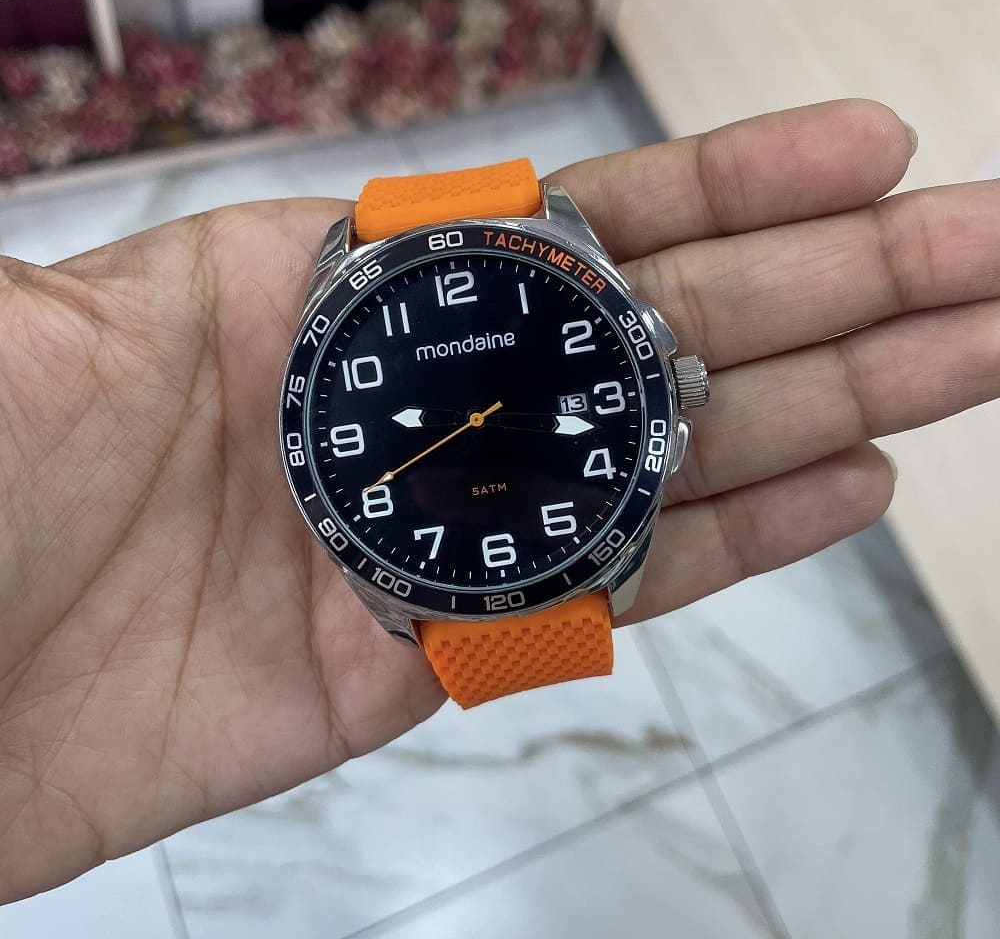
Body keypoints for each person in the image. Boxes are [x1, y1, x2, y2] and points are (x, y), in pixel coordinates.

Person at [1, 99, 998, 905]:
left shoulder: (573, 321)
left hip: (544, 514)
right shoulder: (367, 414)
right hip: (485, 535)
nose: (477, 418)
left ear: (671, 383)